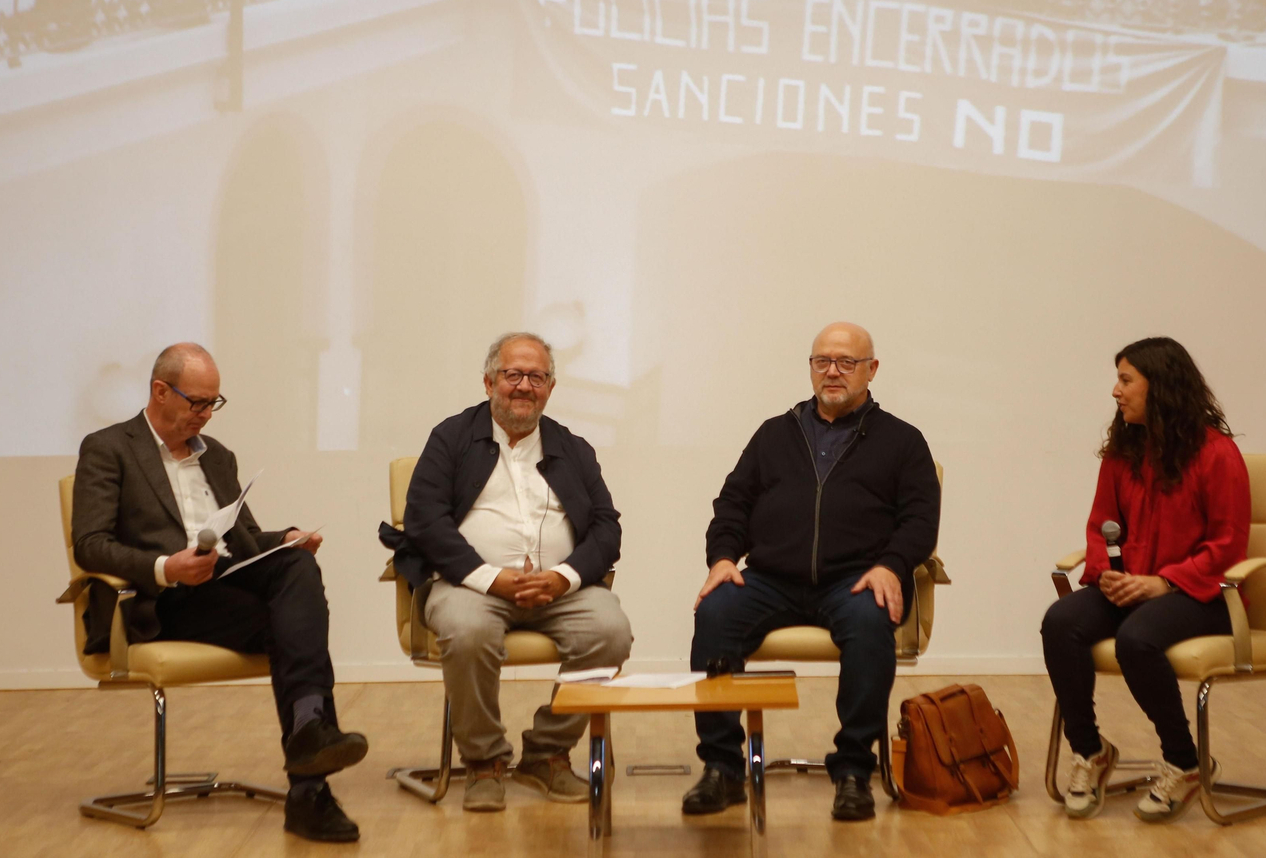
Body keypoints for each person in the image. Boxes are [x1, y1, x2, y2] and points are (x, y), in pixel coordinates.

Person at [71, 343, 366, 842]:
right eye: (197, 402)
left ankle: (308, 734)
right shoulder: (109, 448)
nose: (206, 414)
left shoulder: (218, 457)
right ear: (160, 391)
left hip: (224, 585)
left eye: (214, 403)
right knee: (291, 626)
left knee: (295, 564)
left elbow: (245, 540)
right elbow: (90, 544)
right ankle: (310, 787)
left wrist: (285, 538)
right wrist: (166, 567)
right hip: (162, 599)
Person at [684, 322, 941, 822]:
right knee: (715, 613)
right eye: (822, 361)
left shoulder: (903, 441)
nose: (833, 372)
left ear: (872, 369)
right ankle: (722, 767)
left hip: (856, 579)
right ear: (810, 367)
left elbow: (919, 521)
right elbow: (732, 504)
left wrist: (891, 566)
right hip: (771, 579)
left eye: (846, 362)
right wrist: (722, 559)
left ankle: (853, 771)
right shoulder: (774, 434)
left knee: (869, 623)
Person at [398, 332, 633, 812]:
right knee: (467, 632)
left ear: (550, 388)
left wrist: (564, 576)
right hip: (470, 586)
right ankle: (484, 761)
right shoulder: (451, 438)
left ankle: (547, 754)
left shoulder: (573, 447)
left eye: (537, 377)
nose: (524, 386)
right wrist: (492, 578)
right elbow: (424, 519)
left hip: (560, 590)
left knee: (610, 632)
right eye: (513, 375)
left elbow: (606, 527)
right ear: (489, 382)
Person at [1040, 336, 1250, 823]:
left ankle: (1185, 761)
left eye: (1126, 380)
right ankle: (1090, 751)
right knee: (1060, 622)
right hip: (1135, 587)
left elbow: (1227, 545)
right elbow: (1101, 524)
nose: (1115, 391)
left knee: (1137, 638)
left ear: (1161, 386)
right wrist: (1107, 575)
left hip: (1202, 596)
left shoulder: (1218, 454)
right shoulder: (1123, 452)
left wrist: (1165, 582)